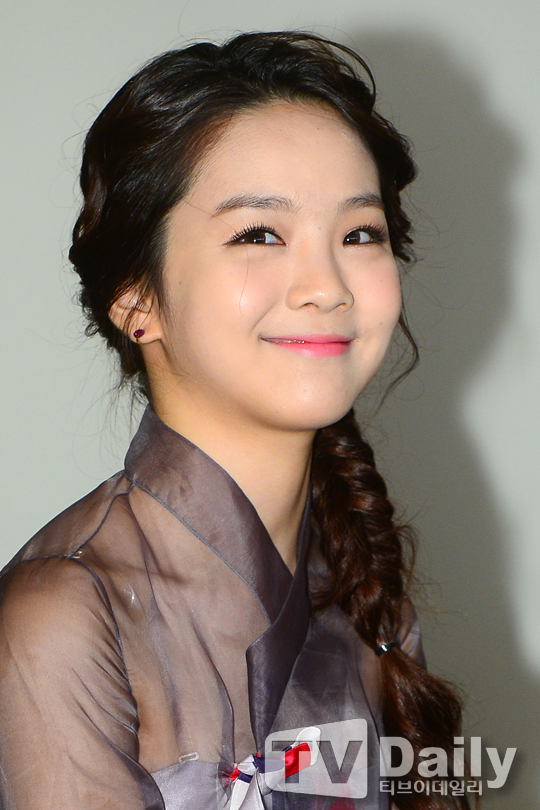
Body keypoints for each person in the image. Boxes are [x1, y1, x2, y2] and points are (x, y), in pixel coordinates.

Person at [0, 32, 468, 810]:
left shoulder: (364, 590)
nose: (326, 286)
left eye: (359, 233)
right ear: (136, 299)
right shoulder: (64, 614)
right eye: (259, 234)